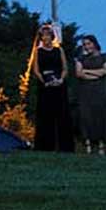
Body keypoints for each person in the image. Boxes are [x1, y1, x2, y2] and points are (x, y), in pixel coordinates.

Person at [28, 23, 75, 153]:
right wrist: (44, 81)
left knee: (62, 116)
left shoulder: (58, 50)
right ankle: (44, 146)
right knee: (45, 117)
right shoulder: (38, 51)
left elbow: (65, 68)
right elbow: (36, 70)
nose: (46, 38)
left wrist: (60, 79)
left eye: (48, 35)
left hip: (59, 86)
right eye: (43, 36)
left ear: (52, 37)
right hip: (45, 87)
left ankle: (65, 147)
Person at [73, 34, 106, 154]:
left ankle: (101, 145)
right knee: (86, 116)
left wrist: (87, 71)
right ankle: (88, 145)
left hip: (100, 91)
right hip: (86, 91)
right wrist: (95, 74)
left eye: (88, 43)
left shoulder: (105, 56)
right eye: (84, 44)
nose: (87, 46)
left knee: (101, 115)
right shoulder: (81, 58)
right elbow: (79, 73)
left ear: (94, 43)